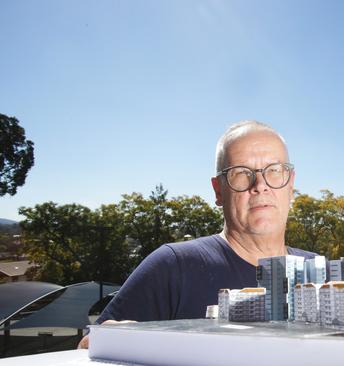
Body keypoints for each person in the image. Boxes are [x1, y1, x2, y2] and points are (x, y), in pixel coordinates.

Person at [79, 120, 316, 348]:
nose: (260, 184)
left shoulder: (319, 276)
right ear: (218, 191)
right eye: (241, 173)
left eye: (274, 170)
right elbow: (89, 346)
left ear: (291, 184)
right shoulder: (174, 266)